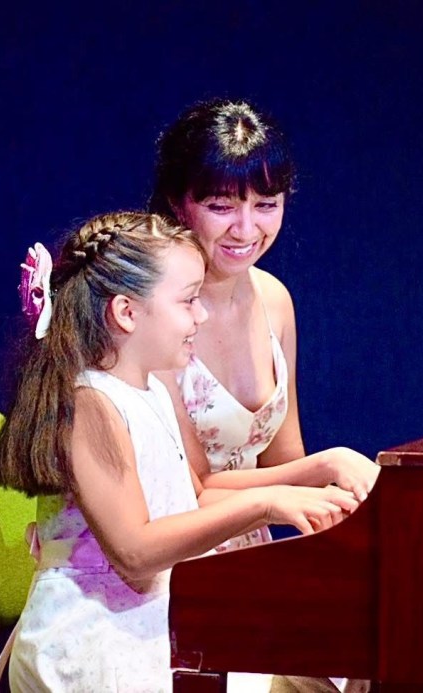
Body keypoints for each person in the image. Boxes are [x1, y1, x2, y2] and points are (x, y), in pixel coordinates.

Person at [0, 211, 359, 692]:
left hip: (151, 616)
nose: (201, 316)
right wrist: (265, 505)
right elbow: (136, 554)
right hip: (93, 640)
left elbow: (192, 497)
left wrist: (313, 479)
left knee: (329, 663)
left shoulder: (151, 388)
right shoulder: (90, 402)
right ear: (126, 312)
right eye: (188, 301)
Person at [149, 98, 379, 551]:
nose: (246, 228)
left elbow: (284, 461)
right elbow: (191, 488)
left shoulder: (273, 298)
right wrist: (329, 465)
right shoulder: (151, 312)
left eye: (266, 204)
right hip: (172, 555)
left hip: (251, 550)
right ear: (178, 203)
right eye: (221, 206)